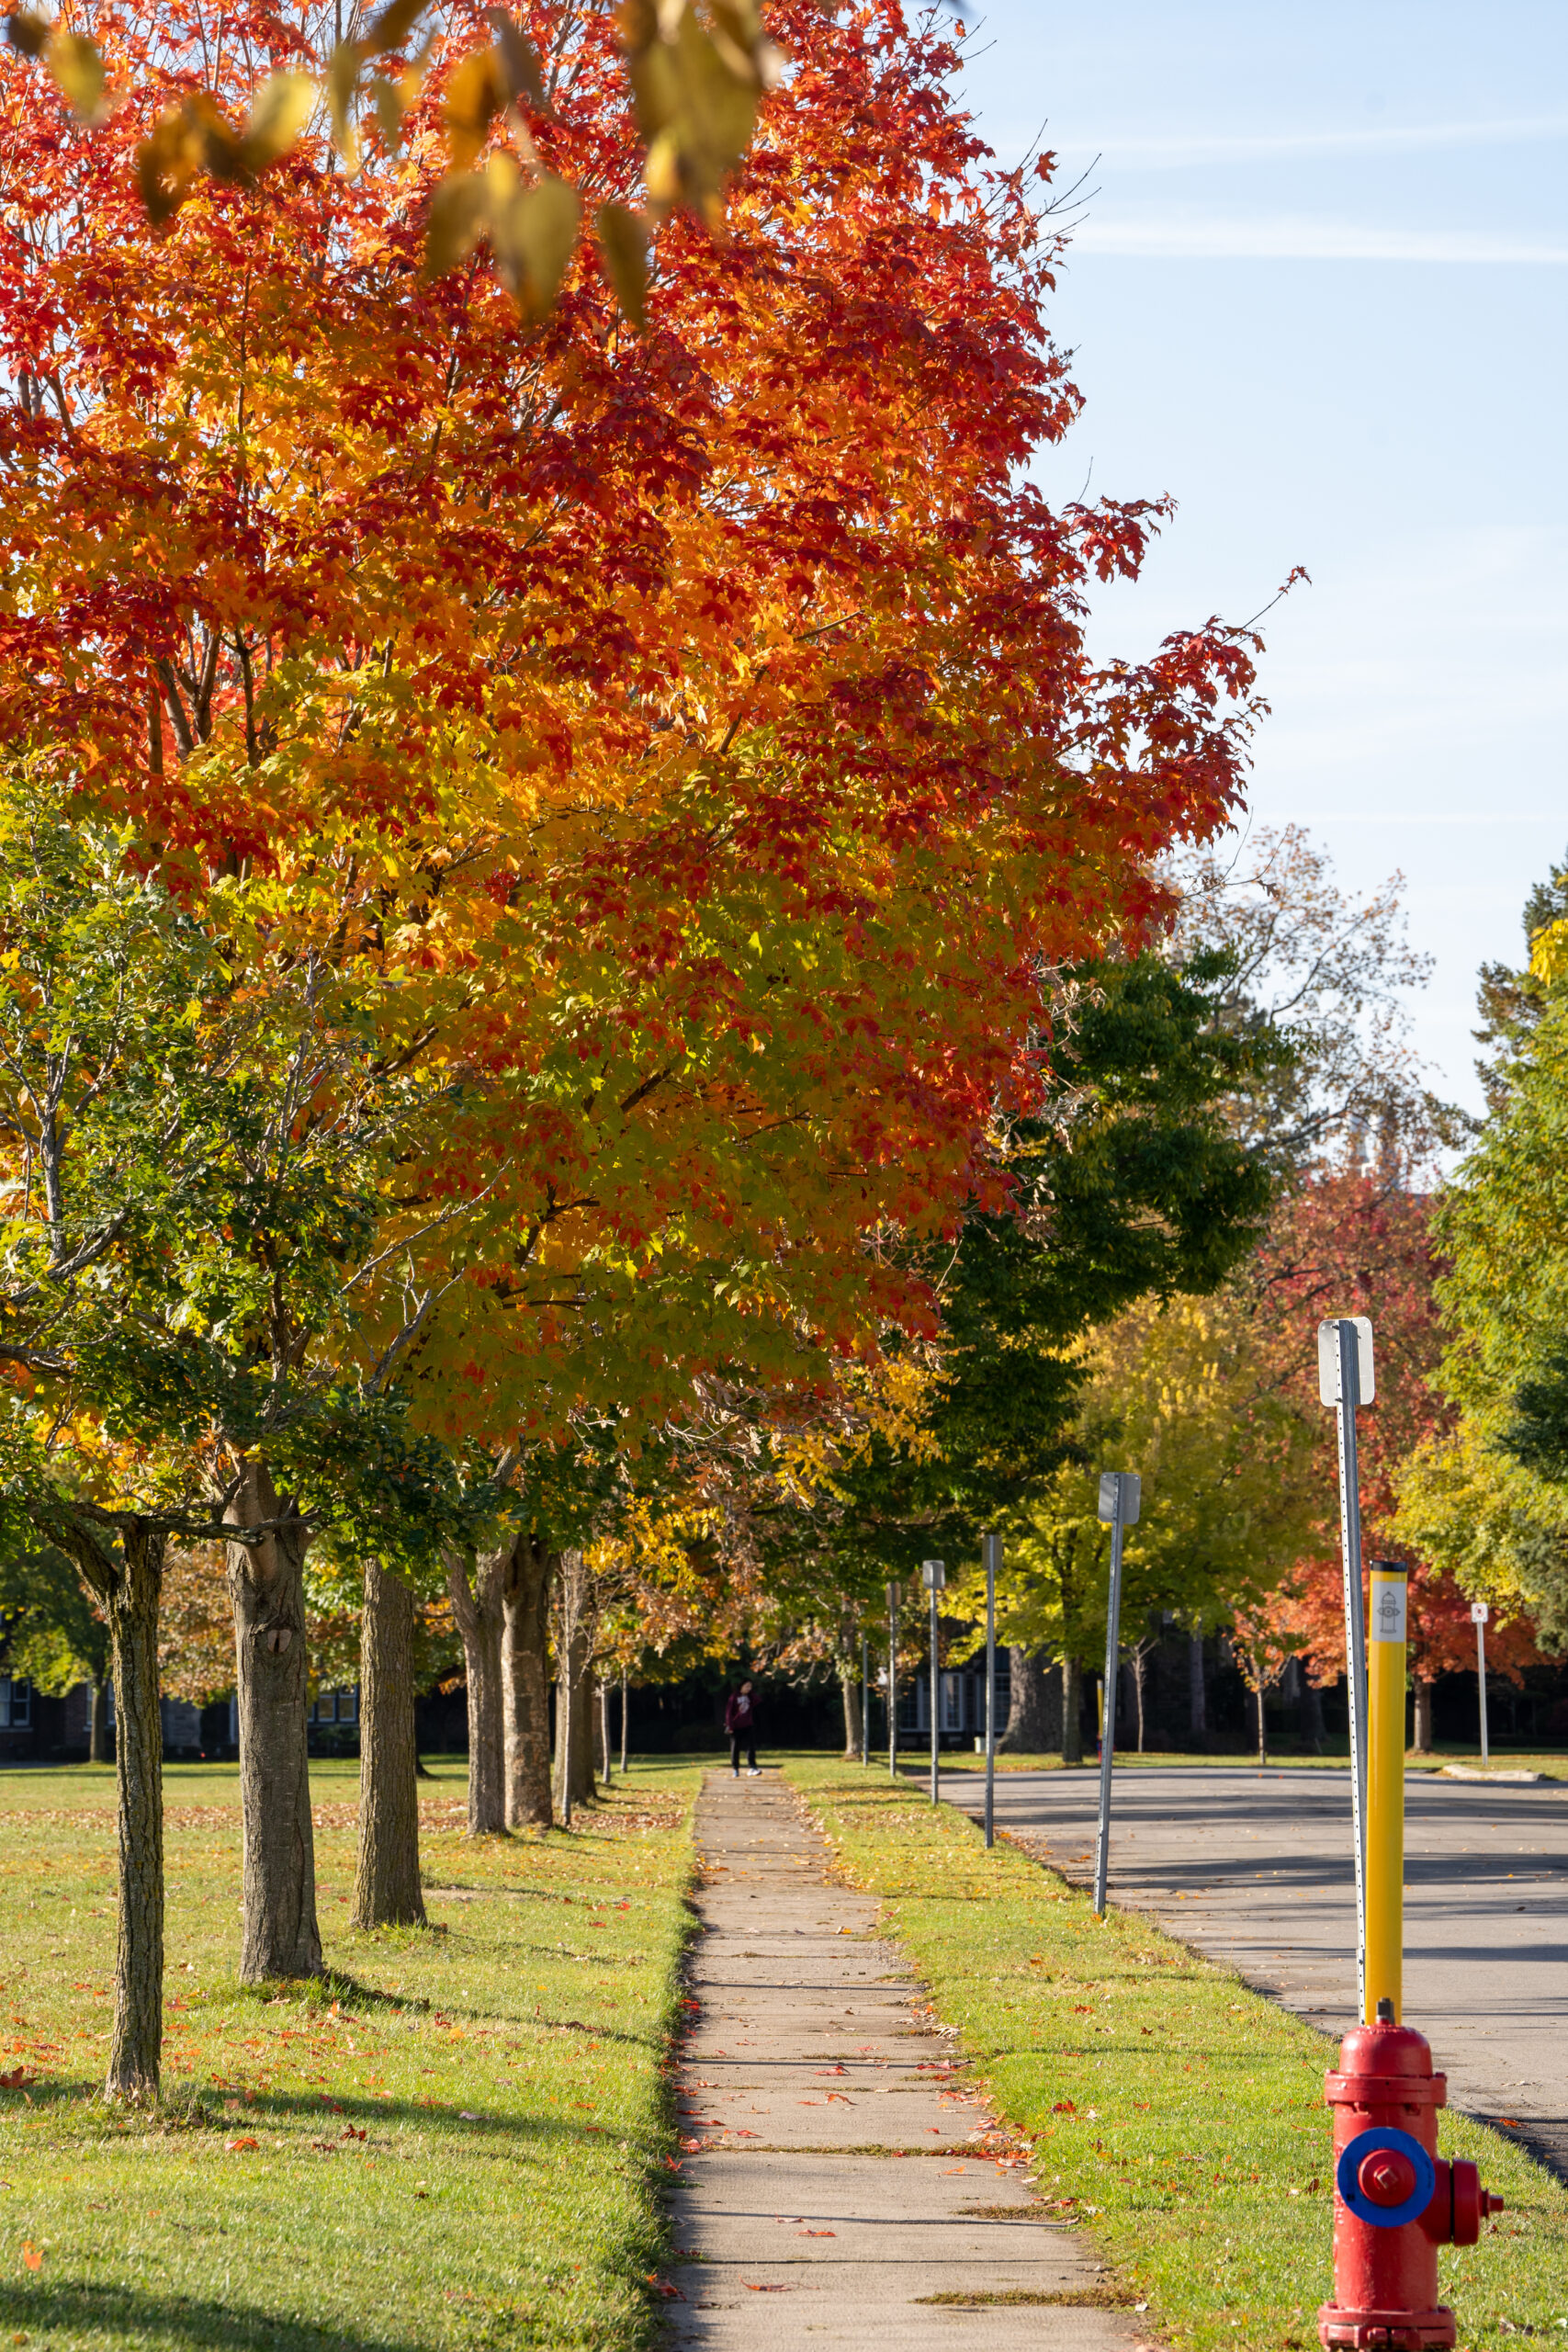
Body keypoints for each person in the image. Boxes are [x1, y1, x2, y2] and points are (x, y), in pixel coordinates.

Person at [725, 1680, 760, 1776]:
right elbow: (728, 1713)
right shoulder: (733, 1697)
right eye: (747, 1686)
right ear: (741, 1686)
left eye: (750, 1686)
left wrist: (751, 1693)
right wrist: (730, 1725)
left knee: (751, 1747)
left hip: (748, 1725)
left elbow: (758, 1700)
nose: (749, 1688)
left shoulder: (750, 1696)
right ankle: (735, 1768)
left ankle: (752, 1767)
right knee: (736, 1748)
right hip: (736, 1727)